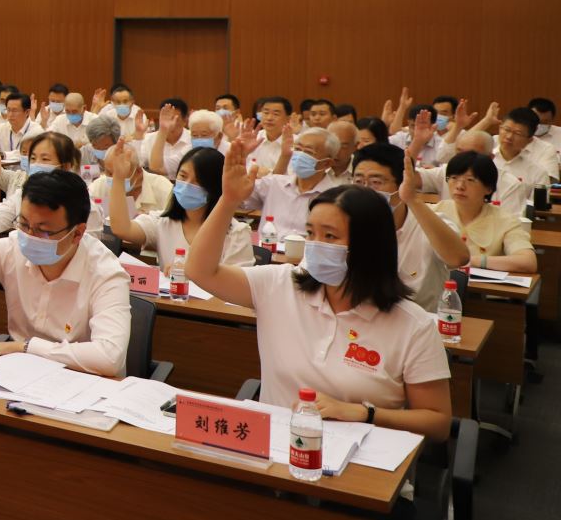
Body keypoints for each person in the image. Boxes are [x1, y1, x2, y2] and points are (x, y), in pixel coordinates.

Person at [186, 160, 452, 444]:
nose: (314, 244)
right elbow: (200, 271)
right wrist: (228, 202)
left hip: (362, 457)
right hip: (273, 447)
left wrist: (364, 413)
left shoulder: (413, 325)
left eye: (330, 236)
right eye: (311, 233)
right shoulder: (280, 285)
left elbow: (437, 422)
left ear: (369, 246)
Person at [0, 132, 130, 375]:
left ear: (78, 233)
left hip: (83, 380)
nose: (30, 236)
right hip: (18, 376)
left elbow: (109, 357)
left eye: (43, 231)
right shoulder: (13, 248)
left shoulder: (106, 273)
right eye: (24, 224)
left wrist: (25, 347)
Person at [350, 137, 469, 311]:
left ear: (402, 184)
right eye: (359, 182)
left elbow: (458, 258)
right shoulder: (344, 222)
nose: (366, 190)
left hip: (419, 321)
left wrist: (412, 199)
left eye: (376, 182)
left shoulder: (428, 222)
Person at [105, 145, 253, 267]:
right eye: (183, 176)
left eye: (197, 181)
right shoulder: (163, 222)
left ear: (214, 187)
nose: (187, 185)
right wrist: (119, 178)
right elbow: (122, 228)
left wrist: (188, 272)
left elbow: (238, 287)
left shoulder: (236, 234)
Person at [235, 125, 344, 243]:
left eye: (308, 152)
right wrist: (240, 155)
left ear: (327, 163)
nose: (300, 155)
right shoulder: (274, 183)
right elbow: (237, 199)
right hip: (266, 250)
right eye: (298, 149)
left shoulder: (335, 197)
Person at [435, 151, 537, 273]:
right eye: (454, 178)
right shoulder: (434, 212)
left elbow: (528, 262)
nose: (460, 186)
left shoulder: (505, 221)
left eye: (470, 180)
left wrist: (471, 261)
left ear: (488, 188)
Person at [0, 132, 80, 237]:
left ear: (65, 166)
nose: (36, 164)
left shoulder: (78, 200)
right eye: (33, 158)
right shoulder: (22, 195)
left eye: (45, 159)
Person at [145, 98, 191, 179]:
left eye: (174, 118)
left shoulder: (193, 139)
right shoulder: (148, 139)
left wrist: (164, 130)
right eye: (166, 118)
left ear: (185, 120)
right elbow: (136, 163)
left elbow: (158, 168)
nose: (169, 123)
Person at [246, 97, 292, 172]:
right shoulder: (254, 138)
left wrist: (268, 173)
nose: (269, 118)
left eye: (276, 114)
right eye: (266, 113)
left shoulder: (296, 143)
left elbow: (293, 175)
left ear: (288, 119)